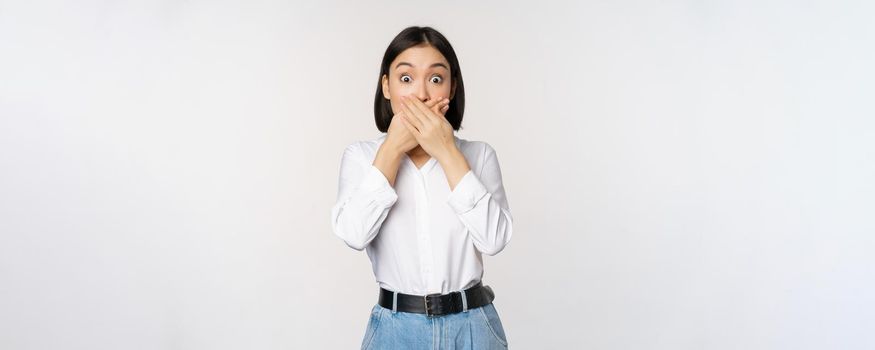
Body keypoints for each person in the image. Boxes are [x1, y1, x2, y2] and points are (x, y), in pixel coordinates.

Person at [330, 26, 514, 349]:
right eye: (405, 79)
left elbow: (495, 239)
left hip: (472, 327)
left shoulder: (479, 155)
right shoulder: (361, 158)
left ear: (452, 87)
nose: (422, 94)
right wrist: (392, 149)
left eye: (435, 79)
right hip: (395, 329)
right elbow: (353, 234)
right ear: (386, 86)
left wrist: (445, 151)